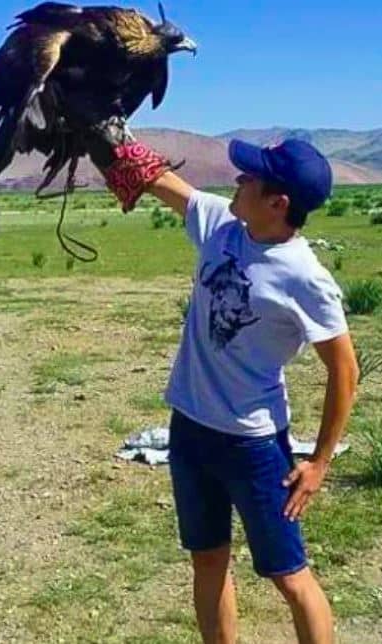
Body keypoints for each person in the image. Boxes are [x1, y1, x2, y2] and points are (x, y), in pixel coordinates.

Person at [96, 129, 360, 644]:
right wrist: (106, 134)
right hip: (190, 431)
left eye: (251, 177)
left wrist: (320, 462)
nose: (238, 179)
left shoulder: (304, 276)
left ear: (278, 203)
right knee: (208, 559)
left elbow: (344, 370)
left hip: (254, 446)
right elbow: (159, 180)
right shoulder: (222, 223)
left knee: (289, 574)